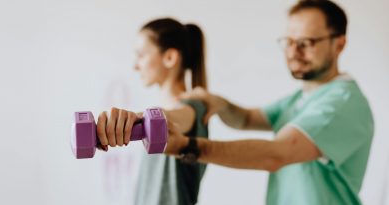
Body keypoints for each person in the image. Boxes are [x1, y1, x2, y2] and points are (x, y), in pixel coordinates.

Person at [98, 0, 374, 204]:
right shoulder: (301, 99)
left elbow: (274, 154)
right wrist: (217, 103)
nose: (293, 51)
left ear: (339, 44)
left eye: (306, 42)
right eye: (288, 41)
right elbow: (247, 118)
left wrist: (186, 145)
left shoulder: (342, 103)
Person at [97, 18, 209, 205]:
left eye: (141, 56)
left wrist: (143, 118)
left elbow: (175, 117)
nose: (135, 65)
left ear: (170, 58)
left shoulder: (192, 108)